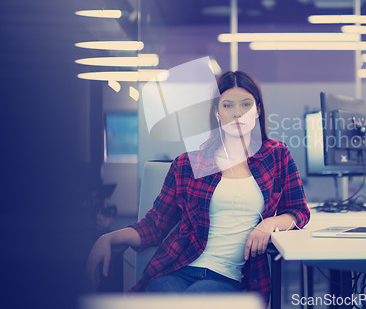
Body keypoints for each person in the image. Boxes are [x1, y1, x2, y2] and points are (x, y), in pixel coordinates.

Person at [87, 70, 310, 306]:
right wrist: (108, 238)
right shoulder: (188, 163)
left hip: (231, 278)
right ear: (217, 112)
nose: (237, 113)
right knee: (161, 296)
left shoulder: (276, 155)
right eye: (228, 105)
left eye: (246, 104)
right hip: (178, 268)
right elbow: (155, 226)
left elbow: (298, 211)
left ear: (258, 110)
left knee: (197, 299)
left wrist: (269, 224)